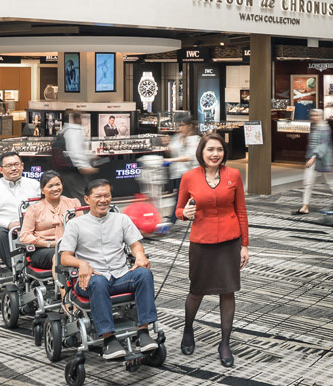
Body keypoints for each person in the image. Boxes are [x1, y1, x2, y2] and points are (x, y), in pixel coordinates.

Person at [59, 179, 159, 359]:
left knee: (144, 274)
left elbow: (136, 245)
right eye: (98, 196)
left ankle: (143, 333)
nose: (103, 200)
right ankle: (108, 339)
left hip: (120, 276)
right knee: (98, 282)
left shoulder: (121, 219)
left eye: (107, 196)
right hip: (91, 279)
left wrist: (140, 255)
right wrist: (82, 264)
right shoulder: (76, 224)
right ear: (87, 199)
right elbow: (65, 256)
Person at [177, 134, 250, 368]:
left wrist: (245, 246)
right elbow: (179, 209)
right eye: (210, 150)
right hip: (201, 242)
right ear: (202, 152)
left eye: (219, 149)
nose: (215, 154)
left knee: (227, 292)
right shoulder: (189, 177)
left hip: (229, 242)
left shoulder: (234, 175)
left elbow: (241, 212)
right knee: (196, 290)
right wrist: (183, 214)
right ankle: (188, 329)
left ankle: (225, 342)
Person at [0, 151, 41, 267]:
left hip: (30, 227)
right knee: (0, 235)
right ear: (1, 170)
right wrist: (8, 224)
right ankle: (17, 269)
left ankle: (39, 265)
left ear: (22, 166)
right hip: (2, 229)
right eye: (9, 166)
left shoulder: (34, 185)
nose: (14, 168)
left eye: (16, 164)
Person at [20, 171, 82, 269]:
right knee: (59, 256)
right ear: (42, 190)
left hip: (71, 246)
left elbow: (82, 228)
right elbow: (24, 236)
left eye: (58, 184)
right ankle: (60, 284)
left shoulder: (73, 203)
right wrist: (49, 244)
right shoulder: (34, 209)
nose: (55, 189)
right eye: (50, 186)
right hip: (43, 250)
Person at [296, 108, 333, 214]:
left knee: (330, 183)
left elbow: (322, 146)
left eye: (316, 115)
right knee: (308, 182)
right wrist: (309, 157)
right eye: (312, 115)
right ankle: (305, 206)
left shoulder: (325, 128)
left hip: (323, 159)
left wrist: (313, 158)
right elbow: (311, 144)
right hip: (312, 158)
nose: (314, 117)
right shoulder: (314, 127)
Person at [55, 111, 98, 199]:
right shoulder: (73, 131)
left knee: (72, 197)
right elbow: (75, 151)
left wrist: (90, 157)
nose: (82, 120)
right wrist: (83, 166)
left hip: (68, 171)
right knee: (82, 197)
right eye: (81, 118)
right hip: (74, 172)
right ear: (76, 119)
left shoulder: (67, 131)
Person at [166, 111, 199, 221]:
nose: (179, 128)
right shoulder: (177, 137)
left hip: (189, 174)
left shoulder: (194, 139)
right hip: (177, 173)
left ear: (189, 126)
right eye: (178, 125)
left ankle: (172, 220)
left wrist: (171, 159)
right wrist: (166, 145)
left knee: (179, 198)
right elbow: (171, 150)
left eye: (182, 125)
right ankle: (177, 217)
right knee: (182, 197)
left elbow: (189, 156)